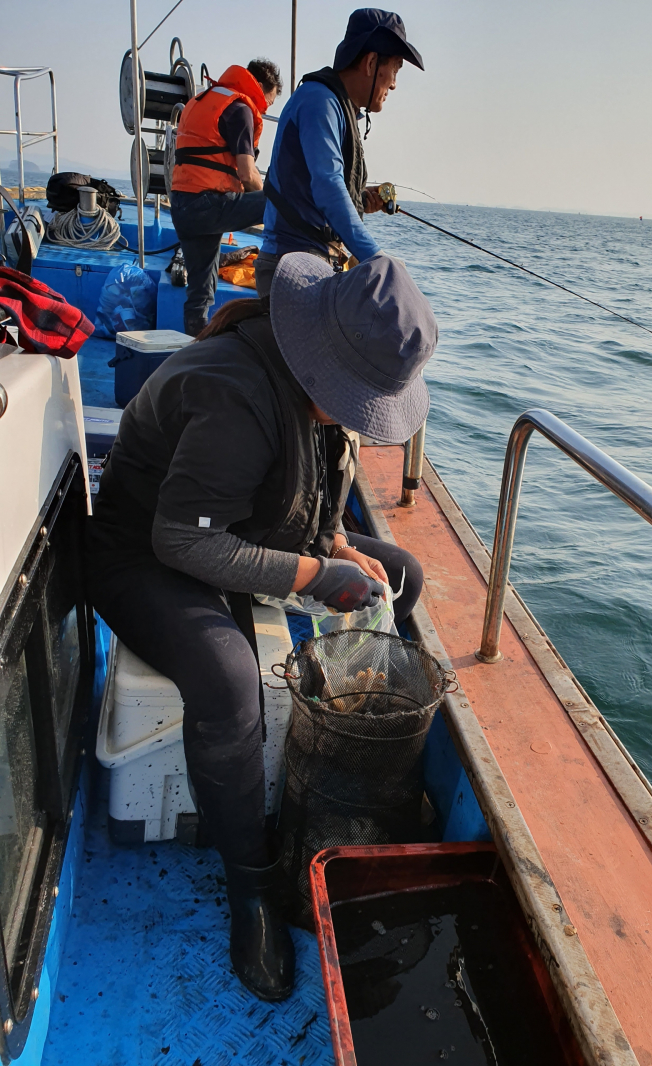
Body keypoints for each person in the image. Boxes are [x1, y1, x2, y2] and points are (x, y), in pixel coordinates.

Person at [86, 252, 437, 1001]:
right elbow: (182, 542)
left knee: (402, 575)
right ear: (324, 368)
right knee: (228, 682)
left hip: (248, 528)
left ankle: (326, 736)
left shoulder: (305, 389)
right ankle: (251, 884)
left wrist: (339, 548)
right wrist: (315, 577)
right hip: (146, 553)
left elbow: (306, 499)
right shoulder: (232, 391)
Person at [254, 9, 424, 299]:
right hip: (292, 269)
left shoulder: (337, 106)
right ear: (371, 63)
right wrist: (378, 260)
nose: (394, 83)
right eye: (395, 70)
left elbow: (315, 188)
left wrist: (360, 199)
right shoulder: (320, 102)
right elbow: (328, 186)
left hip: (315, 263)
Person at [170, 58, 282, 336]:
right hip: (209, 205)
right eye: (268, 102)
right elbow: (247, 174)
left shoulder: (202, 100)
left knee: (200, 295)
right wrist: (269, 204)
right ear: (260, 88)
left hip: (182, 204)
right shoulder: (240, 109)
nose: (265, 109)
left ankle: (195, 348)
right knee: (282, 201)